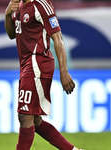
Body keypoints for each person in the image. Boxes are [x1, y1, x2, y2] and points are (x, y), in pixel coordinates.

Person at [5, 0, 84, 150]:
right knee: (34, 119)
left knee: (25, 116)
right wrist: (7, 15)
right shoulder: (18, 5)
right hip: (26, 65)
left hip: (38, 62)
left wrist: (64, 71)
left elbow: (58, 38)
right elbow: (11, 34)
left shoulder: (41, 5)